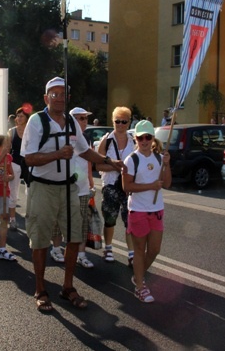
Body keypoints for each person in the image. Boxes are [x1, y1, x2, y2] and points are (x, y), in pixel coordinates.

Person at [21, 77, 123, 312]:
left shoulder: (71, 122)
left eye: (62, 94)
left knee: (75, 237)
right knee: (39, 240)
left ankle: (68, 287)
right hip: (42, 187)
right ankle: (40, 288)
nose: (58, 98)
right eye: (53, 94)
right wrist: (57, 154)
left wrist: (110, 161)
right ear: (46, 98)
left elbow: (85, 151)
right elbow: (29, 158)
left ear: (67, 98)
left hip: (69, 187)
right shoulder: (36, 122)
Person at [122, 120, 171, 303]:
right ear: (135, 138)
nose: (144, 141)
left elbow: (166, 183)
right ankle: (140, 286)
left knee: (155, 249)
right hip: (138, 209)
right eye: (140, 137)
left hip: (156, 209)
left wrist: (167, 164)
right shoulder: (132, 159)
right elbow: (126, 186)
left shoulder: (159, 158)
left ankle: (139, 275)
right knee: (140, 250)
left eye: (147, 137)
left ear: (152, 139)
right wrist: (151, 185)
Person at [97, 106, 135, 265]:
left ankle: (132, 253)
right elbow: (98, 166)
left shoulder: (133, 141)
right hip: (111, 185)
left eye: (123, 121)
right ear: (113, 122)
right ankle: (109, 248)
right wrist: (115, 166)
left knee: (129, 220)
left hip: (128, 186)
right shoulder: (107, 140)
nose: (120, 124)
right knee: (110, 218)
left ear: (129, 122)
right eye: (117, 121)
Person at [70, 107, 96, 269]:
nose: (85, 121)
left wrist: (92, 182)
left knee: (83, 223)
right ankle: (59, 250)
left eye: (86, 118)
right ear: (73, 120)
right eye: (81, 118)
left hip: (84, 187)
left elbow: (88, 162)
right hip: (68, 187)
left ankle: (81, 255)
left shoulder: (86, 137)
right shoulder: (66, 137)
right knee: (65, 222)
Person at [8, 107, 30, 231]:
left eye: (22, 116)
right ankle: (12, 220)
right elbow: (6, 148)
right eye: (18, 116)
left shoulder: (31, 131)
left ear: (27, 118)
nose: (19, 118)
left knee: (30, 192)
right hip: (15, 163)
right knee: (13, 192)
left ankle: (29, 219)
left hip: (28, 164)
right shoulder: (12, 131)